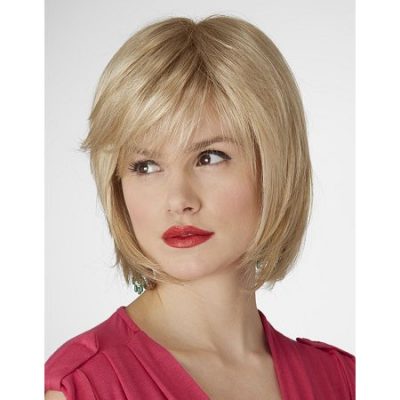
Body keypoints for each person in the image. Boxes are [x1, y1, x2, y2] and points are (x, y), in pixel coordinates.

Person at [45, 14, 355, 400]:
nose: (179, 200)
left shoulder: (345, 381)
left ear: (275, 165)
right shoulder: (85, 387)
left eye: (210, 157)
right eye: (146, 166)